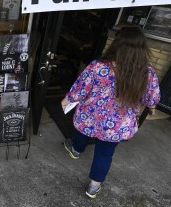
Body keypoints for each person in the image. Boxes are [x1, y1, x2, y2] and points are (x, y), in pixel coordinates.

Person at [61, 26, 161, 198]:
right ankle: (93, 187)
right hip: (117, 125)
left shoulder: (98, 66)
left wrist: (66, 101)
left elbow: (80, 90)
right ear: (142, 48)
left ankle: (76, 150)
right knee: (105, 153)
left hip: (90, 116)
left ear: (117, 44)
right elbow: (151, 98)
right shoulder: (147, 73)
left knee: (82, 134)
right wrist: (151, 108)